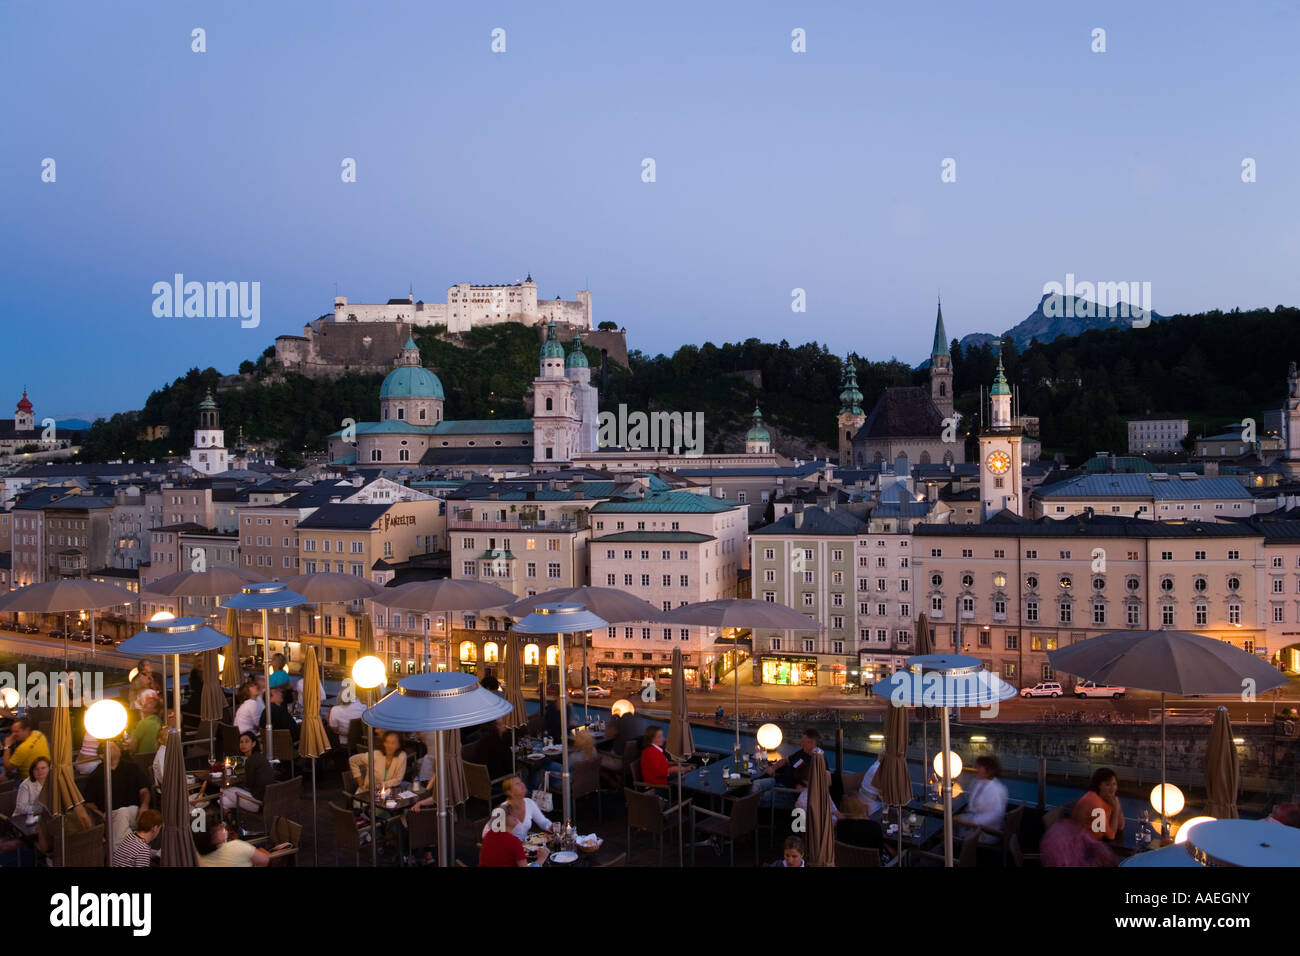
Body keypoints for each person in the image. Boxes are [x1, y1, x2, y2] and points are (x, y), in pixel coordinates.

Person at [1040, 767, 1123, 867]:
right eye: (1107, 784)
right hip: (1079, 848)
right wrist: (1117, 808)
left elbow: (1121, 826)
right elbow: (1111, 835)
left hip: (1088, 843)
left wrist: (1116, 807)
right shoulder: (1095, 803)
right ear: (1099, 785)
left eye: (1114, 784)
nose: (1112, 788)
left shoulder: (1103, 799)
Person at [84, 741, 151, 846]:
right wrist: (101, 816)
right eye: (111, 747)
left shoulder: (132, 767)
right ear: (102, 755)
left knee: (122, 812)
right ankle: (137, 850)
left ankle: (117, 855)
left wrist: (144, 805)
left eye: (115, 746)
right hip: (109, 815)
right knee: (121, 817)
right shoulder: (96, 775)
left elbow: (144, 791)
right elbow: (89, 803)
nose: (115, 748)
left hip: (134, 812)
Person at [753, 728, 822, 805]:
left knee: (763, 797)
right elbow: (785, 760)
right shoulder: (802, 752)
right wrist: (773, 768)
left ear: (812, 743)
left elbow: (825, 781)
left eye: (803, 742)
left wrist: (805, 788)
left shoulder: (818, 759)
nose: (801, 743)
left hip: (789, 791)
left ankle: (752, 814)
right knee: (755, 784)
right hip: (779, 781)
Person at [482, 774, 553, 842]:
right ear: (510, 792)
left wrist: (551, 827)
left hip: (526, 847)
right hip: (508, 848)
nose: (522, 785)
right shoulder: (503, 809)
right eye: (517, 784)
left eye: (521, 782)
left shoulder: (529, 803)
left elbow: (543, 822)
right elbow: (486, 834)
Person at [957, 755, 1009, 845]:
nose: (975, 768)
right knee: (953, 820)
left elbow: (995, 815)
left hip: (987, 831)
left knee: (950, 822)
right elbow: (972, 803)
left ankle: (956, 852)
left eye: (979, 766)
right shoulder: (978, 782)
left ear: (987, 770)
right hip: (976, 824)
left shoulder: (996, 789)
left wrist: (971, 821)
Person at [479, 801, 548, 867]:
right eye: (511, 813)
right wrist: (541, 859)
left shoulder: (490, 834)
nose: (516, 815)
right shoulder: (514, 842)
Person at [220, 731, 275, 815]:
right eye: (241, 742)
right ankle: (231, 819)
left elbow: (248, 784)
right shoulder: (259, 756)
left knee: (223, 790)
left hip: (257, 803)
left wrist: (239, 779)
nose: (243, 744)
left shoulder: (251, 760)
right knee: (223, 801)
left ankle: (229, 818)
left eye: (246, 741)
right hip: (266, 802)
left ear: (253, 744)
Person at [194, 811, 272, 867]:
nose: (222, 826)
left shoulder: (196, 856)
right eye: (219, 828)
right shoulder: (237, 846)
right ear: (212, 836)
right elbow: (265, 860)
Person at [859, 751, 887, 817]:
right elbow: (884, 795)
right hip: (871, 808)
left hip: (867, 802)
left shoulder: (877, 766)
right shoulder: (877, 771)